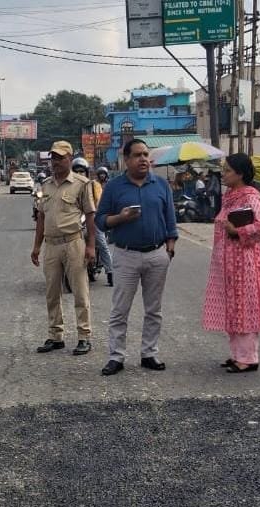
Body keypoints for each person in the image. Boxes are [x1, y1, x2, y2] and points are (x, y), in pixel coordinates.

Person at [95, 139, 178, 376]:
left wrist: (169, 249)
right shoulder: (114, 187)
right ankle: (116, 356)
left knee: (154, 309)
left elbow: (170, 220)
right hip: (126, 255)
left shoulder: (160, 185)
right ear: (126, 159)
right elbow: (100, 220)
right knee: (120, 310)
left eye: (145, 154)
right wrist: (120, 218)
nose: (143, 159)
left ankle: (149, 353)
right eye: (138, 155)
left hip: (156, 254)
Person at [202, 153, 260, 373]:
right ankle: (237, 354)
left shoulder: (251, 197)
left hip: (246, 262)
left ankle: (248, 358)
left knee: (245, 307)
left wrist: (237, 231)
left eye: (227, 170)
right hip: (228, 262)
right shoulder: (230, 196)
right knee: (233, 307)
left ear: (240, 174)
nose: (223, 174)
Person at [31, 141, 96, 356]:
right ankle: (55, 335)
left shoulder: (81, 184)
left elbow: (90, 215)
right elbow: (41, 217)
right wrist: (36, 246)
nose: (56, 162)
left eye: (60, 158)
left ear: (70, 158)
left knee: (80, 292)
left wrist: (91, 245)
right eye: (53, 158)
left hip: (73, 242)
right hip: (51, 245)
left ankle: (84, 336)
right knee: (52, 292)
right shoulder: (46, 185)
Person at [71, 158, 113, 287]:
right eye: (76, 171)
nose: (79, 174)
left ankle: (110, 271)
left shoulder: (94, 185)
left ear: (87, 172)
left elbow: (99, 202)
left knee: (101, 242)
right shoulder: (69, 186)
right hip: (76, 219)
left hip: (93, 217)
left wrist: (94, 212)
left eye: (82, 171)